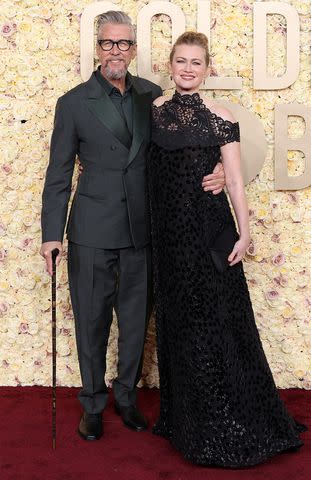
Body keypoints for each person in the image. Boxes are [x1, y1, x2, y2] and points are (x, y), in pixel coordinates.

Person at [40, 12, 225, 441]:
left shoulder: (153, 96)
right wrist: (52, 234)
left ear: (135, 48)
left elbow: (184, 145)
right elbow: (58, 174)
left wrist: (217, 168)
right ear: (97, 47)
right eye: (109, 43)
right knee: (91, 319)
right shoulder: (72, 103)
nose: (116, 51)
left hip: (143, 228)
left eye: (124, 44)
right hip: (90, 230)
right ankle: (92, 402)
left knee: (136, 320)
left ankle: (125, 398)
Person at [148, 31, 306, 467]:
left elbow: (234, 179)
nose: (187, 69)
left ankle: (226, 415)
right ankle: (187, 416)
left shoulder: (221, 117)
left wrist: (245, 231)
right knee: (180, 321)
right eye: (181, 61)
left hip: (208, 229)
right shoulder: (156, 112)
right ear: (171, 65)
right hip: (169, 238)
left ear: (208, 68)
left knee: (217, 318)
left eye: (196, 63)